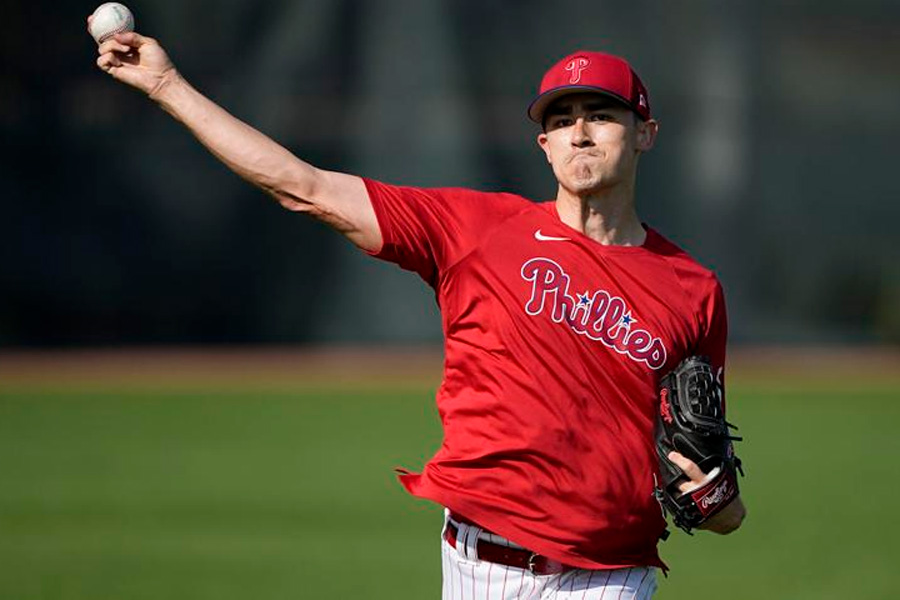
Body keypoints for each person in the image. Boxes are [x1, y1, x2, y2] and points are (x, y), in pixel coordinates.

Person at [91, 19, 746, 599]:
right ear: (543, 144)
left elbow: (709, 477)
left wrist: (718, 501)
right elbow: (302, 187)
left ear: (645, 134)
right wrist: (168, 86)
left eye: (600, 115)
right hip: (479, 568)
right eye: (560, 119)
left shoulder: (691, 288)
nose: (578, 133)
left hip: (610, 575)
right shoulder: (476, 229)